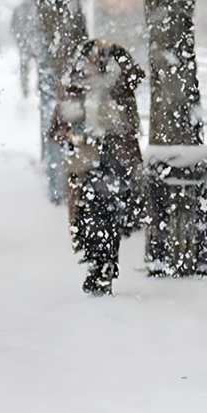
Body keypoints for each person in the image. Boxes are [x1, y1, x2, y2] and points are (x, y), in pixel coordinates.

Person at [50, 39, 147, 296]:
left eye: (101, 58)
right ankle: (97, 265)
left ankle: (105, 265)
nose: (96, 63)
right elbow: (57, 130)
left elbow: (135, 75)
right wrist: (75, 137)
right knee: (90, 216)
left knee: (112, 216)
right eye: (92, 57)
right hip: (86, 164)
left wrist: (118, 53)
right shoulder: (73, 90)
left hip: (117, 160)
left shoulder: (119, 87)